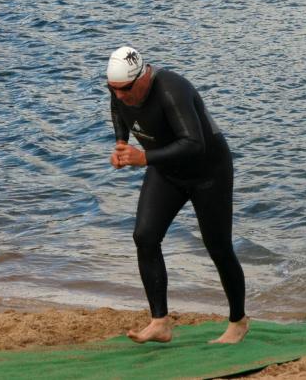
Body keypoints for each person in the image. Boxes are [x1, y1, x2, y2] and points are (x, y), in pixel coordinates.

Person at [105, 46, 248, 345]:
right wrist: (121, 144)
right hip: (167, 171)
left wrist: (144, 158)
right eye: (112, 88)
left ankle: (238, 321)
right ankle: (160, 322)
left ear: (142, 77)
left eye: (125, 89)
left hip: (208, 173)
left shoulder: (172, 90)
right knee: (145, 236)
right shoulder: (121, 90)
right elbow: (118, 109)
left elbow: (194, 143)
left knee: (219, 248)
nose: (119, 95)